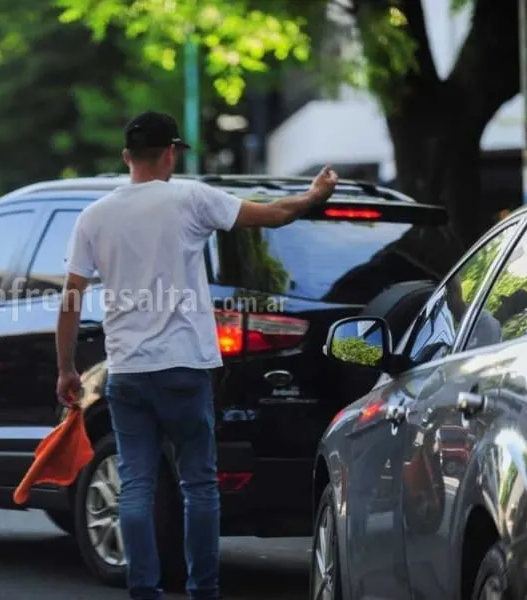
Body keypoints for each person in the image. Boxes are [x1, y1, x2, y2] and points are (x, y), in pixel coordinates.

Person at [55, 111, 338, 600]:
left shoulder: (93, 217)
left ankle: (144, 589)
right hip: (185, 368)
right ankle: (202, 589)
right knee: (199, 486)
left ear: (127, 157)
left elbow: (71, 297)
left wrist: (65, 368)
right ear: (170, 153)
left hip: (127, 372)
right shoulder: (190, 198)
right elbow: (272, 214)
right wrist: (314, 196)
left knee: (137, 485)